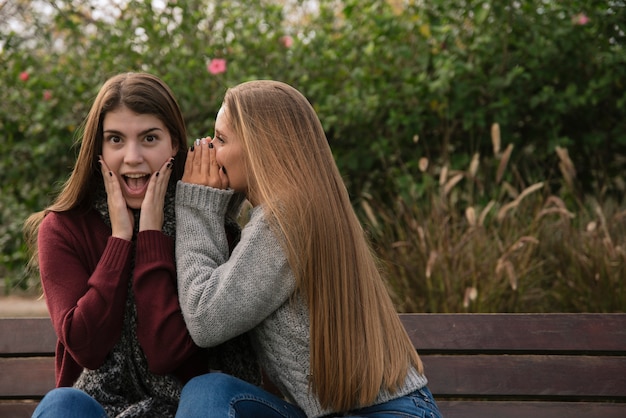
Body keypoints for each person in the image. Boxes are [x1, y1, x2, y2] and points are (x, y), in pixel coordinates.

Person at [174, 80, 443, 418]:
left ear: (261, 148)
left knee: (209, 391)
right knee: (209, 391)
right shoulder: (295, 209)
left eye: (221, 139)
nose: (209, 149)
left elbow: (205, 318)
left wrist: (198, 205)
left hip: (388, 412)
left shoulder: (287, 218)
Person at [23, 72, 258, 418]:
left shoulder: (203, 224)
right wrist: (119, 241)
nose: (132, 157)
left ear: (175, 144)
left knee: (203, 392)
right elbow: (86, 347)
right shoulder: (63, 229)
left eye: (149, 138)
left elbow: (164, 352)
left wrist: (150, 236)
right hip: (96, 408)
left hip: (186, 409)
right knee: (63, 403)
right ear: (98, 149)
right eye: (115, 140)